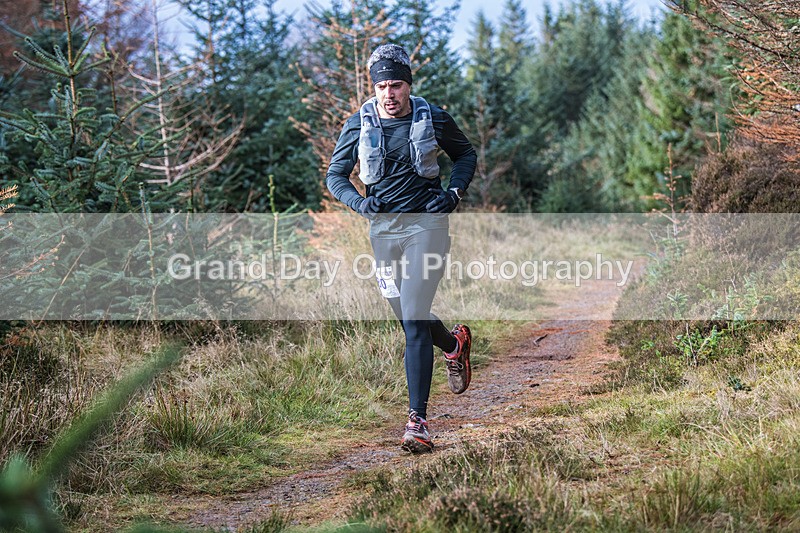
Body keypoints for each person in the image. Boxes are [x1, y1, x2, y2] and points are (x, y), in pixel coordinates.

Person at [326, 43, 477, 453]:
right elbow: (335, 176)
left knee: (412, 321)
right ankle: (453, 344)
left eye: (395, 85)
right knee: (403, 313)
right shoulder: (359, 123)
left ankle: (418, 422)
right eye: (381, 87)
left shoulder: (434, 117)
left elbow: (465, 154)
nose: (388, 94)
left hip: (427, 227)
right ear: (372, 88)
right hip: (383, 232)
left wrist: (454, 192)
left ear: (408, 85)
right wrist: (359, 201)